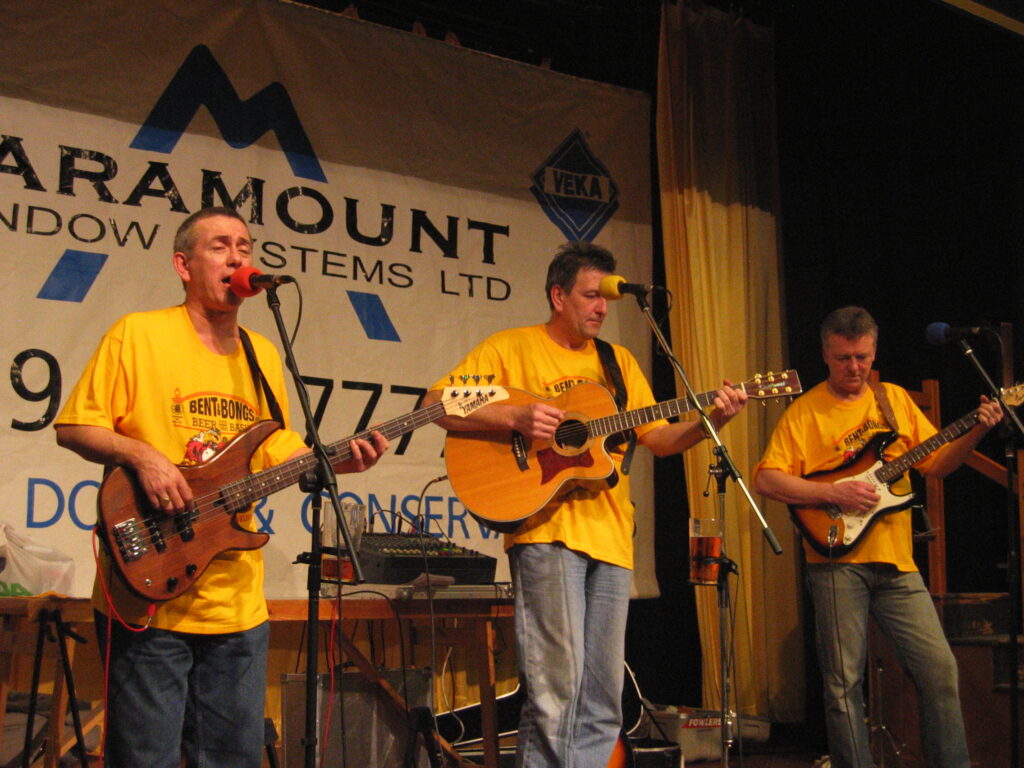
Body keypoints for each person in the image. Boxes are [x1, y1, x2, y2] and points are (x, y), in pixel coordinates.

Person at [54, 207, 388, 768]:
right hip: (152, 591)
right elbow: (75, 426)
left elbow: (274, 448)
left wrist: (331, 464)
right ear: (183, 265)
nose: (238, 258)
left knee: (232, 758)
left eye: (245, 246)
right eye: (220, 246)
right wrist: (144, 456)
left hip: (236, 603)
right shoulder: (139, 334)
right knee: (143, 758)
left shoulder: (261, 353)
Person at [422, 241, 747, 768]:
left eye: (606, 300)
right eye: (590, 295)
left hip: (613, 538)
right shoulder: (512, 348)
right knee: (555, 692)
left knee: (601, 699)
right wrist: (516, 417)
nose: (600, 308)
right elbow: (436, 403)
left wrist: (717, 417)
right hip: (547, 533)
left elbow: (660, 439)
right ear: (558, 295)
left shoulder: (617, 365)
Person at [753, 306, 1003, 768]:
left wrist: (976, 433)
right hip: (834, 561)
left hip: (897, 563)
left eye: (862, 357)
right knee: (842, 685)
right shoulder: (805, 411)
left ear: (874, 351)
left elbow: (939, 465)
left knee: (939, 670)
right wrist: (833, 491)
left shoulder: (893, 401)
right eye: (844, 358)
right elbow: (766, 480)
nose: (854, 368)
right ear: (826, 354)